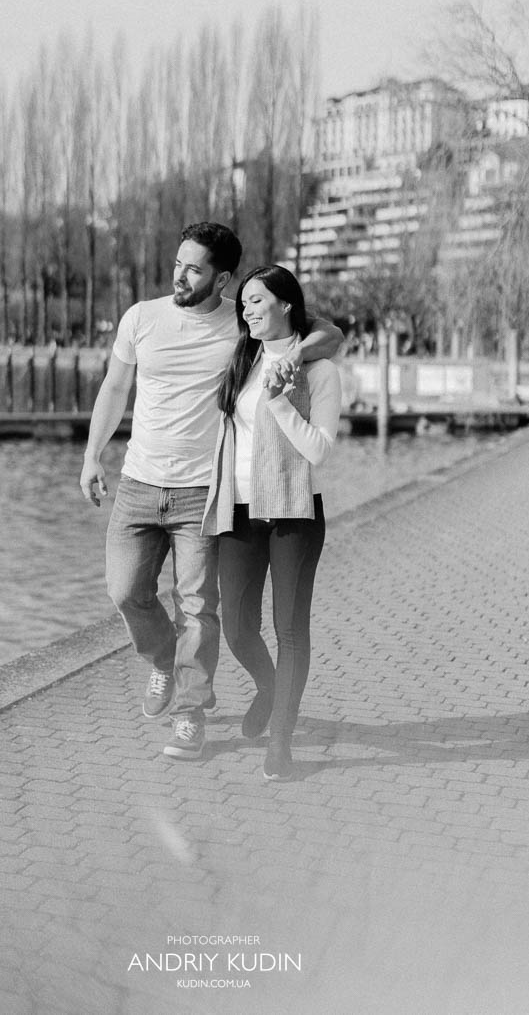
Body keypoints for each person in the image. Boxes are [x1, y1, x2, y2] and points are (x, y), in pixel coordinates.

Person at [80, 223, 343, 761]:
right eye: (178, 263)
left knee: (199, 608)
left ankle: (190, 714)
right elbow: (114, 387)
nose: (180, 275)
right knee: (125, 590)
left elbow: (328, 334)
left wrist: (296, 356)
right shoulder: (141, 318)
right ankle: (161, 659)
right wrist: (92, 456)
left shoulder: (242, 324)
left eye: (194, 268)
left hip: (203, 490)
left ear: (221, 278)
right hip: (138, 481)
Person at [202, 265, 342, 781]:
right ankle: (268, 687)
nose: (247, 311)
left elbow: (319, 451)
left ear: (286, 304)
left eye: (257, 301)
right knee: (238, 625)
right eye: (243, 304)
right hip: (238, 509)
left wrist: (281, 399)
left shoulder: (320, 370)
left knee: (290, 629)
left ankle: (280, 742)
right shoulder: (242, 358)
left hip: (294, 512)